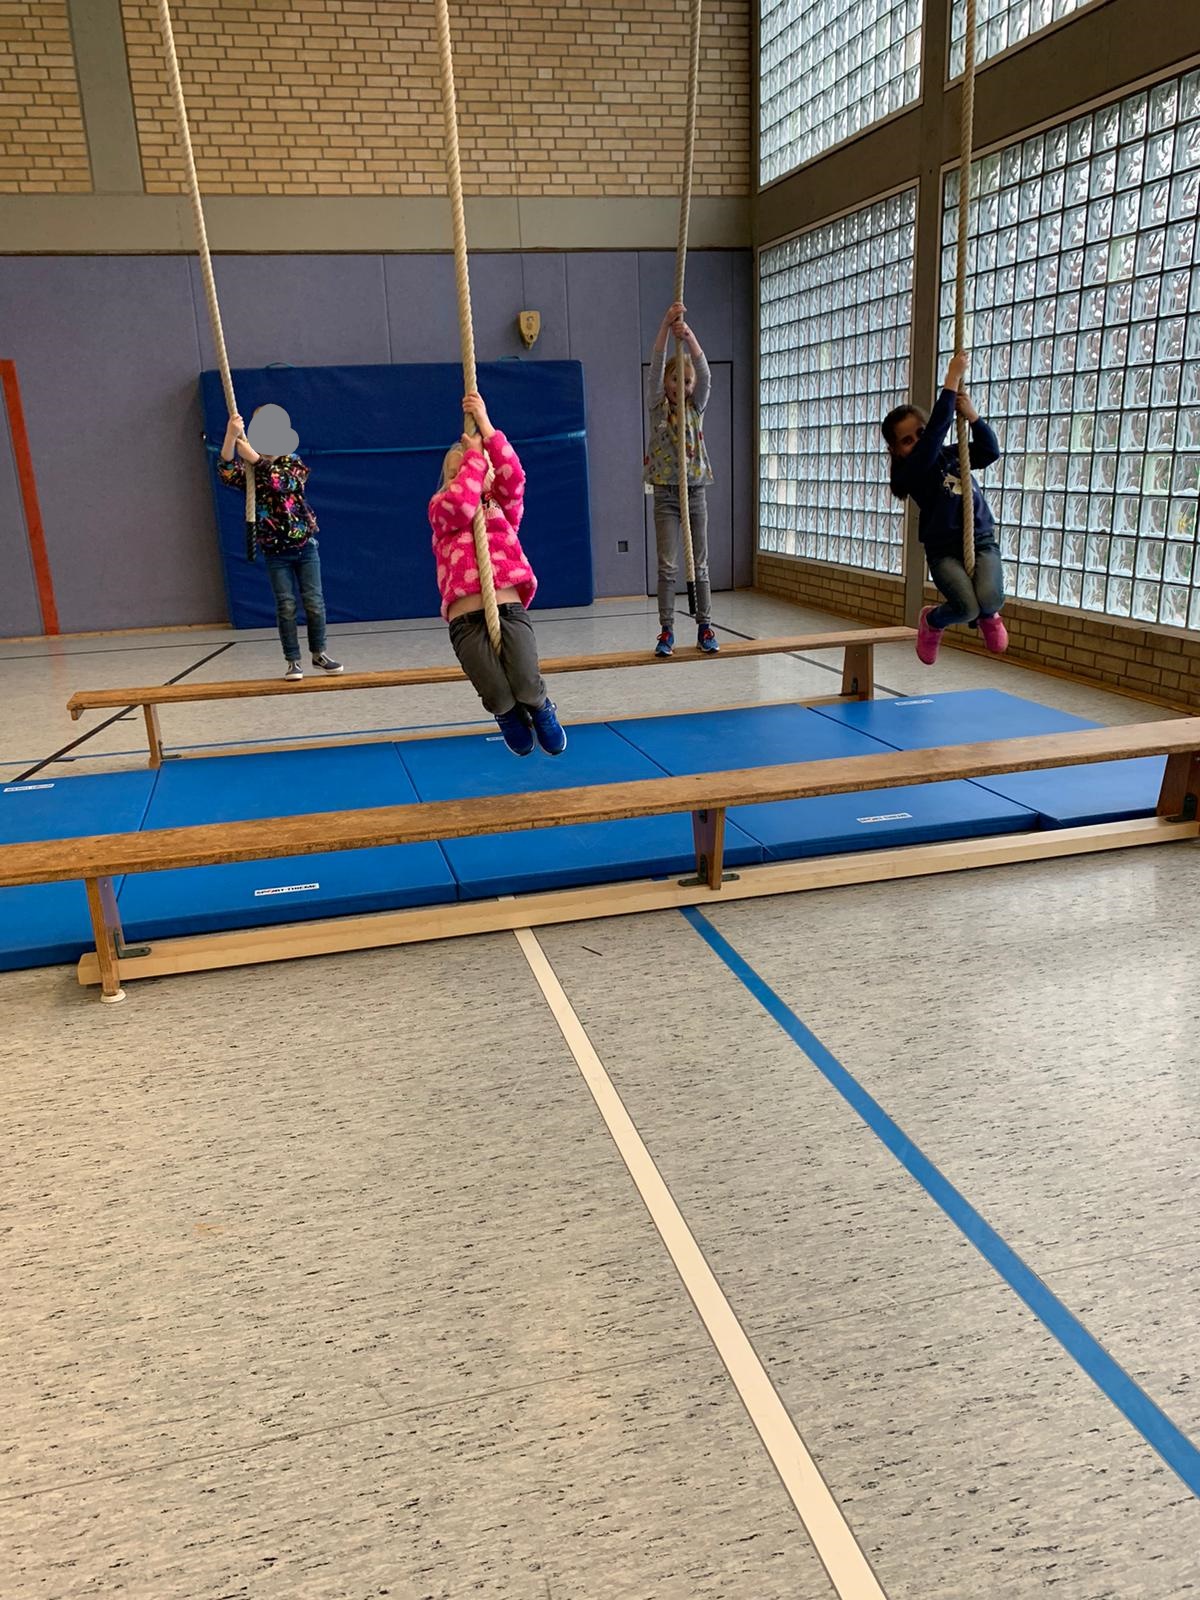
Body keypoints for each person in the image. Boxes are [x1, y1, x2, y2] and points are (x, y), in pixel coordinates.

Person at [428, 391, 566, 757]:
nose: (464, 477)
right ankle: (507, 715)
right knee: (497, 694)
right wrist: (473, 460)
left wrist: (486, 427)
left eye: (474, 468)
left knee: (526, 684)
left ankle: (541, 707)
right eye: (455, 473)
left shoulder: (502, 506)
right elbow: (462, 503)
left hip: (507, 608)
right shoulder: (441, 509)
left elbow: (514, 475)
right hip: (466, 621)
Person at [881, 351, 1009, 665]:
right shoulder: (913, 472)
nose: (917, 441)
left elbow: (990, 452)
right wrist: (951, 380)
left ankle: (989, 615)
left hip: (981, 539)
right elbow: (931, 442)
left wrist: (974, 418)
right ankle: (933, 621)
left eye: (920, 433)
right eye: (907, 440)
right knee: (966, 607)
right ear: (896, 451)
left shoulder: (953, 455)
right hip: (943, 551)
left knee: (990, 599)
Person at [218, 406, 343, 681]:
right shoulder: (250, 470)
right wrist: (230, 436)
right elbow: (226, 473)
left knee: (314, 602)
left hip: (304, 547)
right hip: (276, 551)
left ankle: (319, 652)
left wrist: (253, 458)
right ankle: (292, 660)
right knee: (286, 605)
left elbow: (283, 483)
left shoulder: (292, 462)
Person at [644, 300, 718, 658]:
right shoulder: (658, 407)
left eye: (686, 381)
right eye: (675, 379)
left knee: (699, 563)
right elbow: (657, 364)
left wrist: (688, 336)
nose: (681, 386)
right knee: (668, 565)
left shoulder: (695, 407)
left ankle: (705, 625)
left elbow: (705, 373)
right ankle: (667, 630)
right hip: (665, 493)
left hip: (695, 490)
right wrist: (665, 326)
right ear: (667, 382)